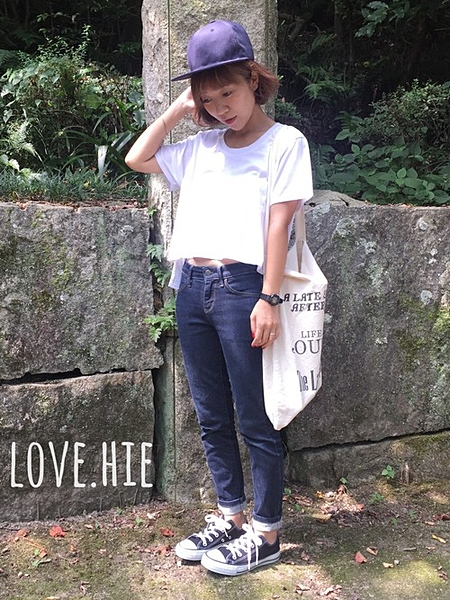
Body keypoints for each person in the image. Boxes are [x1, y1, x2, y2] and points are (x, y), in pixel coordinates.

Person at [125, 19, 313, 576]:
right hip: (192, 287)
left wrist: (269, 299)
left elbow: (279, 226)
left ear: (254, 79)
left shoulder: (285, 143)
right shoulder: (200, 147)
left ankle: (267, 532)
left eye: (227, 92)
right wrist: (180, 109)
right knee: (209, 414)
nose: (220, 107)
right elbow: (137, 157)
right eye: (208, 99)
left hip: (244, 289)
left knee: (255, 416)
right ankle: (231, 516)